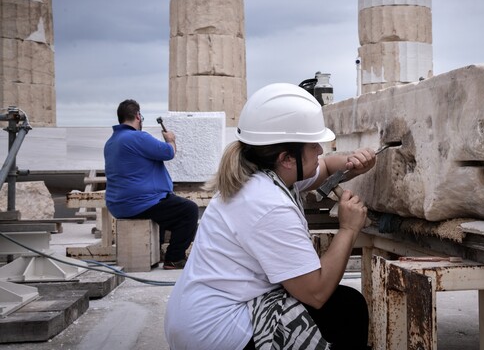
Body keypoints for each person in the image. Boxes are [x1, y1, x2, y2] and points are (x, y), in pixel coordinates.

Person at [164, 83, 376, 349]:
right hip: (216, 332)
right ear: (287, 158)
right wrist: (348, 229)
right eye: (314, 145)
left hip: (196, 317)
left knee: (343, 303)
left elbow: (324, 167)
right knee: (346, 310)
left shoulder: (263, 174)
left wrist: (351, 165)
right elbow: (317, 292)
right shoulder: (268, 204)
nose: (321, 151)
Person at [104, 99, 199, 270]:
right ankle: (174, 258)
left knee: (166, 210)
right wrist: (170, 140)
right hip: (140, 203)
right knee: (189, 210)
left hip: (118, 204)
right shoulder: (137, 137)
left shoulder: (111, 142)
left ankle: (157, 250)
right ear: (138, 116)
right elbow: (168, 152)